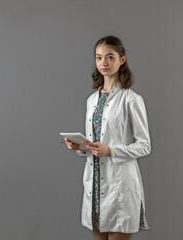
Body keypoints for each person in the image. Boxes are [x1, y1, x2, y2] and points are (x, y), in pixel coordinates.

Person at [64, 35, 151, 240]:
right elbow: (95, 144)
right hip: (94, 185)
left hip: (119, 185)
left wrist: (111, 151)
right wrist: (81, 147)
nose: (104, 63)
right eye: (99, 57)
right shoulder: (92, 100)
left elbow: (145, 146)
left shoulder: (131, 99)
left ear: (122, 60)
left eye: (110, 57)